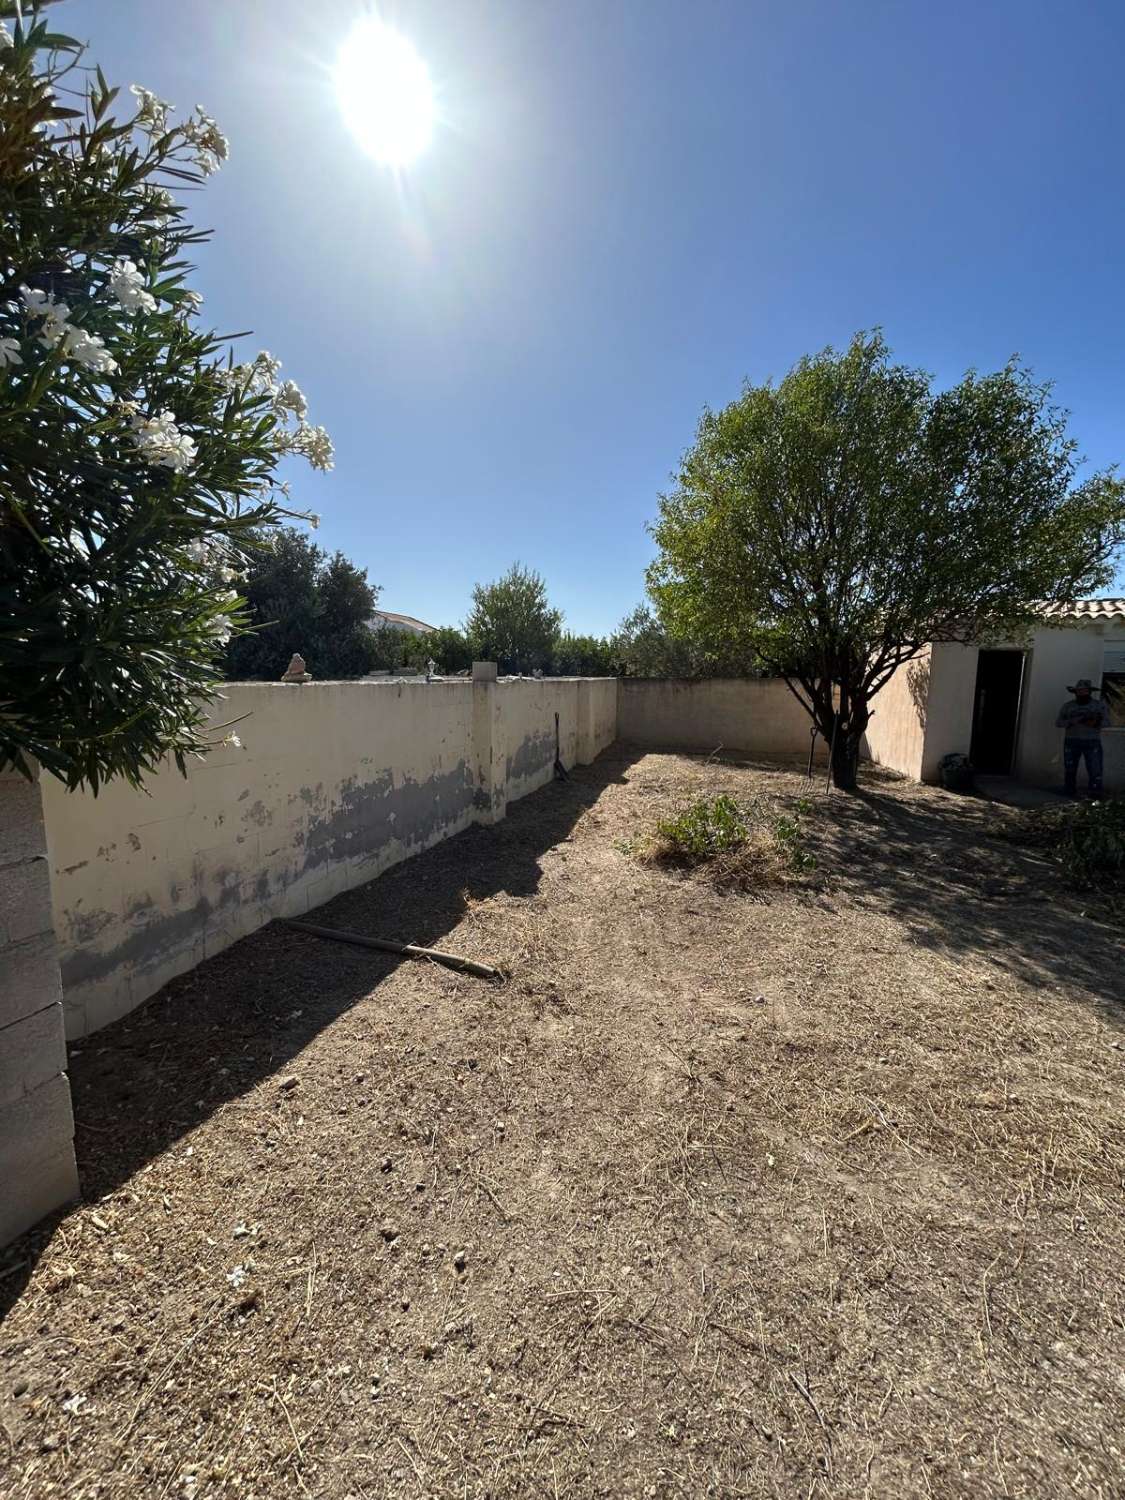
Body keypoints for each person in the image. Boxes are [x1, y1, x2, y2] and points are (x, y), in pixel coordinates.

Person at [1055, 678, 1109, 797]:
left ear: (1089, 691)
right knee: (1070, 768)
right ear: (1075, 692)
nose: (1082, 693)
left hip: (1092, 741)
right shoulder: (1068, 706)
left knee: (1095, 769)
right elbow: (1058, 723)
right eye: (1079, 691)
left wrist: (1095, 723)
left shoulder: (1098, 706)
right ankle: (1069, 792)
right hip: (1071, 741)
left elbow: (1107, 723)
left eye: (1084, 691)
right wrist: (1071, 721)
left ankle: (1095, 794)